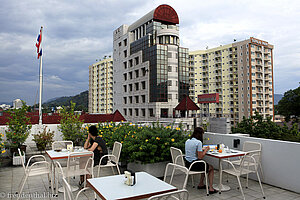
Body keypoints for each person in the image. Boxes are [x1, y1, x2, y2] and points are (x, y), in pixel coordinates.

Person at [185, 127, 217, 194]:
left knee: (204, 165)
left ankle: (201, 184)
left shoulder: (188, 141)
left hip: (187, 164)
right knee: (211, 168)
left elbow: (192, 151)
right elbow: (200, 157)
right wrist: (206, 150)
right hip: (193, 165)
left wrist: (200, 150)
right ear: (200, 134)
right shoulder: (198, 142)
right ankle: (211, 188)